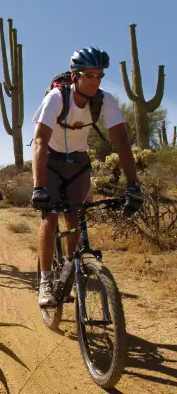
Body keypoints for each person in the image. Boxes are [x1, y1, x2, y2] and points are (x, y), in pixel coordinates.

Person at [31, 46, 144, 306]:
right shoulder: (57, 98)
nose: (95, 81)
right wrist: (39, 188)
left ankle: (70, 272)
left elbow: (122, 144)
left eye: (100, 75)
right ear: (75, 76)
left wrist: (133, 184)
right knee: (49, 217)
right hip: (50, 159)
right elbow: (39, 141)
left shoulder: (105, 101)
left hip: (79, 162)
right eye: (89, 75)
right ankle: (46, 281)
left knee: (74, 217)